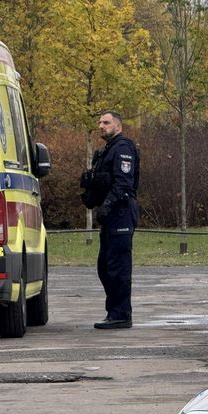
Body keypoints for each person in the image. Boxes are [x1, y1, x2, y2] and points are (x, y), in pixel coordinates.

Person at [80, 110, 139, 329]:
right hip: (110, 216)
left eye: (106, 122)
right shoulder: (106, 151)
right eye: (100, 122)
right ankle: (114, 311)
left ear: (118, 126)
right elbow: (104, 182)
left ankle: (121, 315)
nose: (101, 126)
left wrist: (107, 206)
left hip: (120, 213)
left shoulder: (123, 149)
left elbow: (124, 184)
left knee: (118, 267)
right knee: (105, 266)